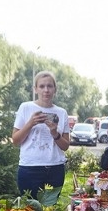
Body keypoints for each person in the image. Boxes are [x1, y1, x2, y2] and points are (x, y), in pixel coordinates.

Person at [11, 70, 70, 198]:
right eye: (42, 86)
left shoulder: (61, 112)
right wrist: (30, 123)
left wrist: (55, 133)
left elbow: (65, 146)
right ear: (35, 89)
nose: (46, 90)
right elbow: (15, 140)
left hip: (55, 168)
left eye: (50, 86)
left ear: (55, 89)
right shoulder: (25, 107)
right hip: (29, 168)